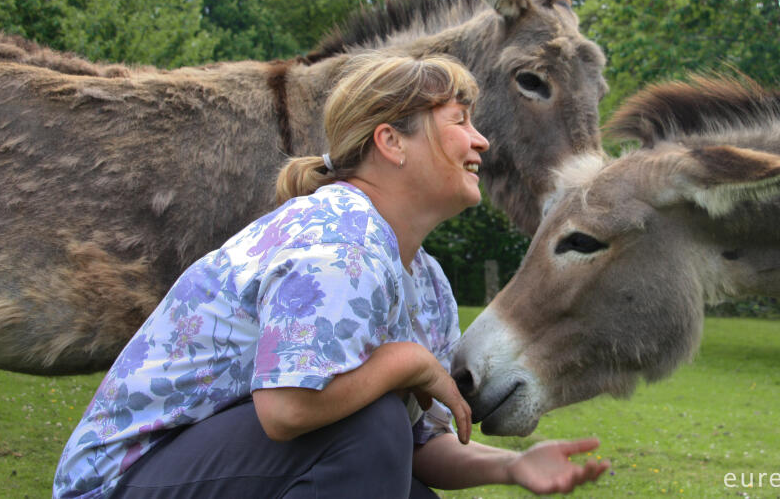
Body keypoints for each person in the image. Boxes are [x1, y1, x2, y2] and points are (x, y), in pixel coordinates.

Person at [53, 52, 610, 498]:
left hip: (217, 470)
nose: (481, 141)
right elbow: (289, 409)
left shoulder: (429, 283)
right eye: (459, 123)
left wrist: (513, 468)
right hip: (122, 482)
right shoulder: (336, 238)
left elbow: (416, 446)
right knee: (370, 427)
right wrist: (409, 362)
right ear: (391, 142)